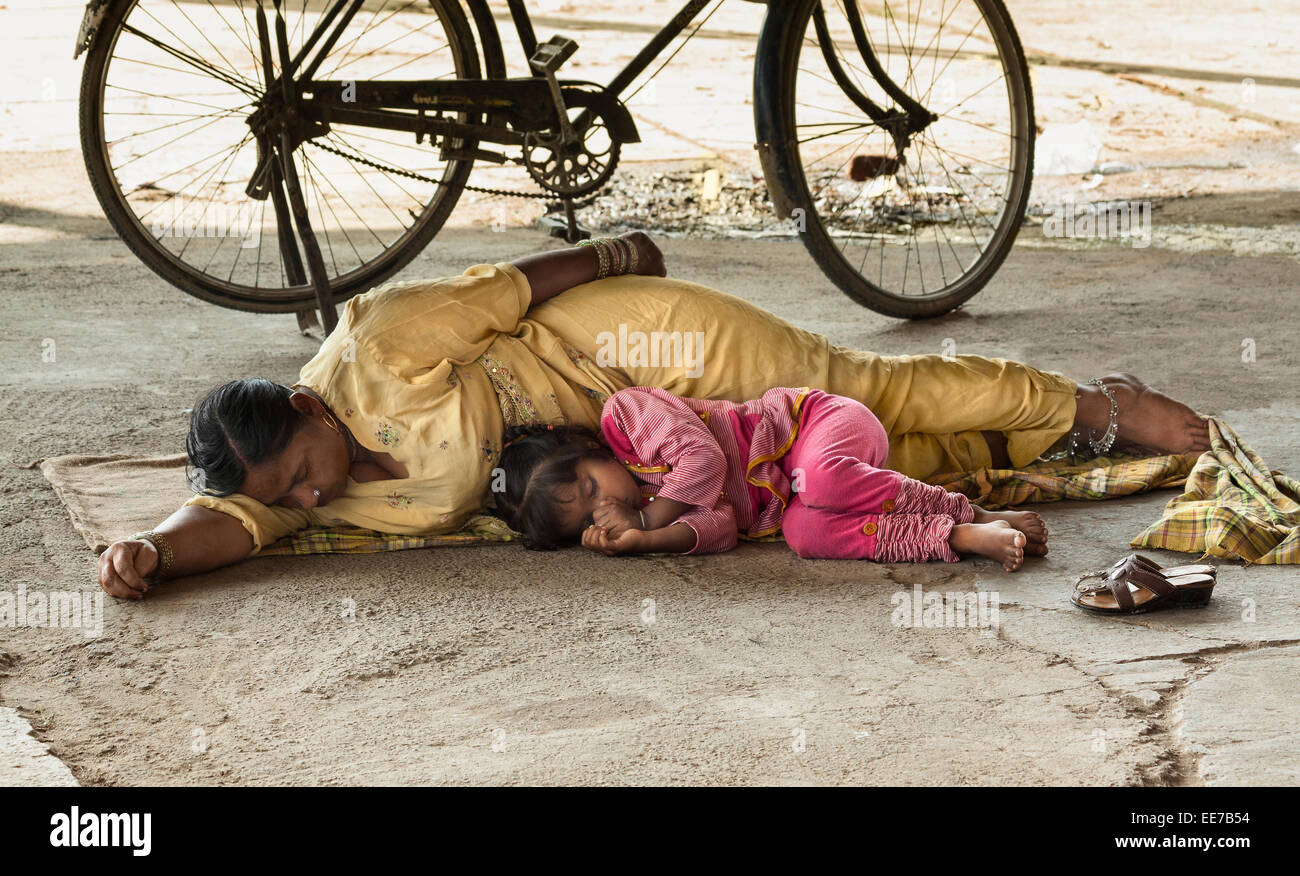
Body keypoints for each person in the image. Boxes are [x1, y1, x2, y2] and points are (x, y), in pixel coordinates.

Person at [96, 232, 1210, 599]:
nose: (310, 498)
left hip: (620, 348)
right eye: (289, 496)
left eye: (300, 466)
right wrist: (150, 544)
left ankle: (1099, 407)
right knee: (844, 466)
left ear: (307, 403)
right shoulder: (283, 492)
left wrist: (621, 250)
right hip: (630, 441)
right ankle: (1024, 449)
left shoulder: (375, 340)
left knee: (862, 390)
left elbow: (511, 294)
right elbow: (229, 523)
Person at [491, 386, 1044, 571]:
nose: (604, 504)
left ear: (584, 448)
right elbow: (723, 528)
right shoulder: (649, 508)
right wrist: (643, 540)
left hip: (815, 426)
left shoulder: (626, 417)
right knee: (805, 536)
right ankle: (955, 537)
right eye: (589, 518)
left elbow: (703, 459)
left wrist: (645, 516)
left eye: (590, 486)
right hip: (792, 503)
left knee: (822, 481)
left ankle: (971, 510)